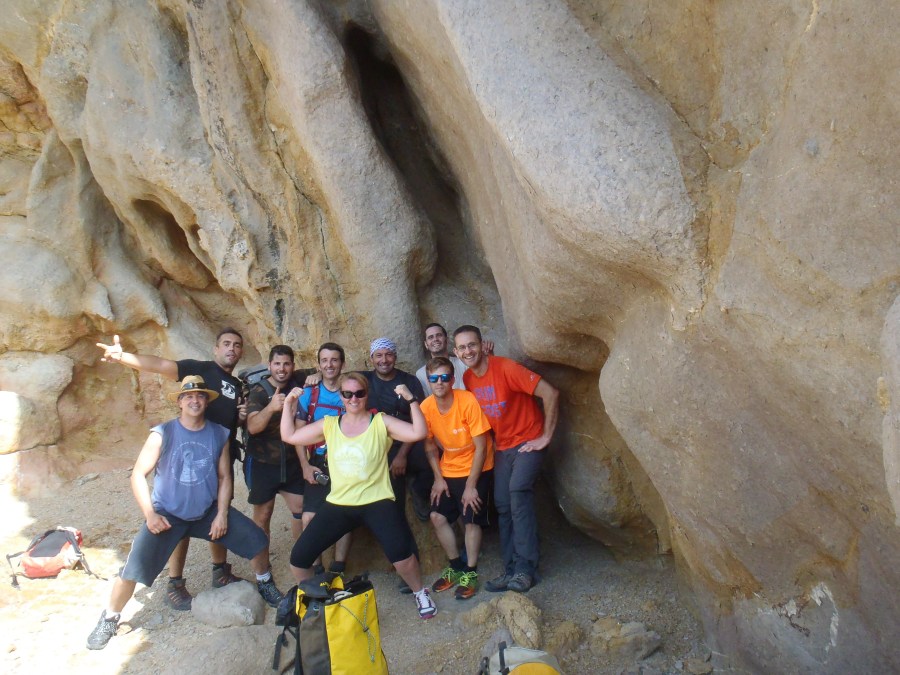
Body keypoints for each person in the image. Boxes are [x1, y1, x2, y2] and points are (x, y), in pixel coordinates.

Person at [86, 376, 269, 650]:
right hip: (168, 514)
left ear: (206, 401)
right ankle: (110, 617)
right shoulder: (163, 433)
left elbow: (224, 477)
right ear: (180, 402)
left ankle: (265, 582)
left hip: (207, 511)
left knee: (257, 540)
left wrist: (221, 513)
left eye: (200, 396)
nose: (195, 400)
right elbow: (138, 475)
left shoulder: (219, 433)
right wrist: (150, 514)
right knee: (132, 569)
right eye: (189, 396)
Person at [96, 329, 248, 609]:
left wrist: (239, 418)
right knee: (181, 517)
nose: (232, 349)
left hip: (218, 455)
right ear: (215, 349)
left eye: (237, 345)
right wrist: (122, 357)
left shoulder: (236, 385)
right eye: (226, 344)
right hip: (189, 453)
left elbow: (228, 420)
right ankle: (175, 582)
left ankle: (219, 570)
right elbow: (159, 364)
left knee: (218, 511)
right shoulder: (200, 370)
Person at [279, 373, 437, 619]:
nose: (353, 398)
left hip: (376, 500)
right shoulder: (330, 424)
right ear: (341, 397)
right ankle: (315, 599)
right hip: (340, 502)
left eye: (359, 393)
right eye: (347, 394)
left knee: (402, 557)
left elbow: (418, 432)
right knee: (299, 558)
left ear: (366, 395)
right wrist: (288, 404)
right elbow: (289, 436)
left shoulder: (380, 421)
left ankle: (419, 592)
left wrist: (411, 400)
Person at [453, 325, 559, 593]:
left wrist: (546, 436)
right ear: (456, 352)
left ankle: (526, 569)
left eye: (472, 345)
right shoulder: (467, 378)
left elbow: (550, 393)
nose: (468, 351)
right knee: (502, 503)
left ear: (482, 345)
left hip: (528, 440)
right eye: (462, 347)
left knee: (518, 492)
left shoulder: (506, 368)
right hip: (502, 447)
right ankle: (510, 568)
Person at [421, 357, 494, 599]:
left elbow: (481, 447)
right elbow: (429, 446)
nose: (439, 382)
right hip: (449, 467)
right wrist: (438, 478)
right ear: (428, 381)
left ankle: (470, 571)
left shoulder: (467, 400)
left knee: (471, 519)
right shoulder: (426, 407)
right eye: (434, 378)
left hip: (477, 467)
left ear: (453, 379)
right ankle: (455, 566)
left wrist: (471, 486)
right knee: (437, 516)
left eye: (444, 377)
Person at [244, 345, 306, 606]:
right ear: (269, 366)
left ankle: (303, 564)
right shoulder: (259, 391)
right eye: (277, 364)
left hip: (291, 463)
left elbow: (323, 372)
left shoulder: (299, 381)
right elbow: (252, 427)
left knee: (301, 510)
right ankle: (263, 578)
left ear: (293, 366)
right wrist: (271, 407)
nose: (282, 369)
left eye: (286, 364)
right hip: (263, 464)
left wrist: (315, 376)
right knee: (262, 518)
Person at [287, 342, 352, 576]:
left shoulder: (350, 391)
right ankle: (316, 570)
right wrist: (305, 466)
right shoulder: (309, 394)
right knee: (309, 517)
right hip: (318, 461)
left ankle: (338, 568)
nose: (329, 365)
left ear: (342, 363)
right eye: (324, 360)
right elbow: (298, 434)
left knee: (346, 515)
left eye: (334, 360)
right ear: (318, 364)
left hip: (346, 461)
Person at [414, 323, 495, 393]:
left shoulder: (465, 362)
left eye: (439, 335)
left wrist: (488, 356)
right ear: (426, 344)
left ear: (446, 340)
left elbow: (488, 380)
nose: (435, 339)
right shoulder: (421, 374)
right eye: (430, 337)